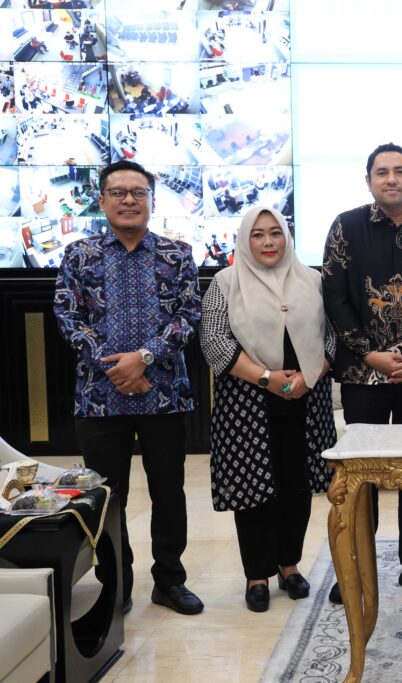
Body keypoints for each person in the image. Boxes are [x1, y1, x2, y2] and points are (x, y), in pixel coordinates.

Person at [53, 159, 203, 616]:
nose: (129, 200)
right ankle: (115, 584)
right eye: (118, 192)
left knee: (169, 493)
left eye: (138, 192)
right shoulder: (79, 255)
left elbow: (189, 315)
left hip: (165, 395)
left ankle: (170, 581)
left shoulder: (177, 254)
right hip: (99, 399)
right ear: (102, 201)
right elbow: (68, 317)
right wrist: (115, 367)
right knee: (106, 498)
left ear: (152, 201)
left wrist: (145, 358)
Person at [321, 143, 402, 605]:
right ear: (369, 180)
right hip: (364, 374)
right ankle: (357, 564)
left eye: (399, 171)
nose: (391, 179)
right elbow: (334, 298)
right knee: (363, 474)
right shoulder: (346, 226)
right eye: (382, 172)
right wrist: (370, 353)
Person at [200, 206, 336, 612]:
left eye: (275, 233)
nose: (268, 242)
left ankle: (288, 565)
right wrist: (266, 378)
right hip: (248, 403)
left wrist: (310, 376)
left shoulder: (313, 279)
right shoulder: (225, 282)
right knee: (253, 489)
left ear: (286, 236)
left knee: (297, 487)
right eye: (257, 234)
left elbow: (333, 336)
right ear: (245, 240)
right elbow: (214, 342)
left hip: (306, 401)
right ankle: (256, 574)